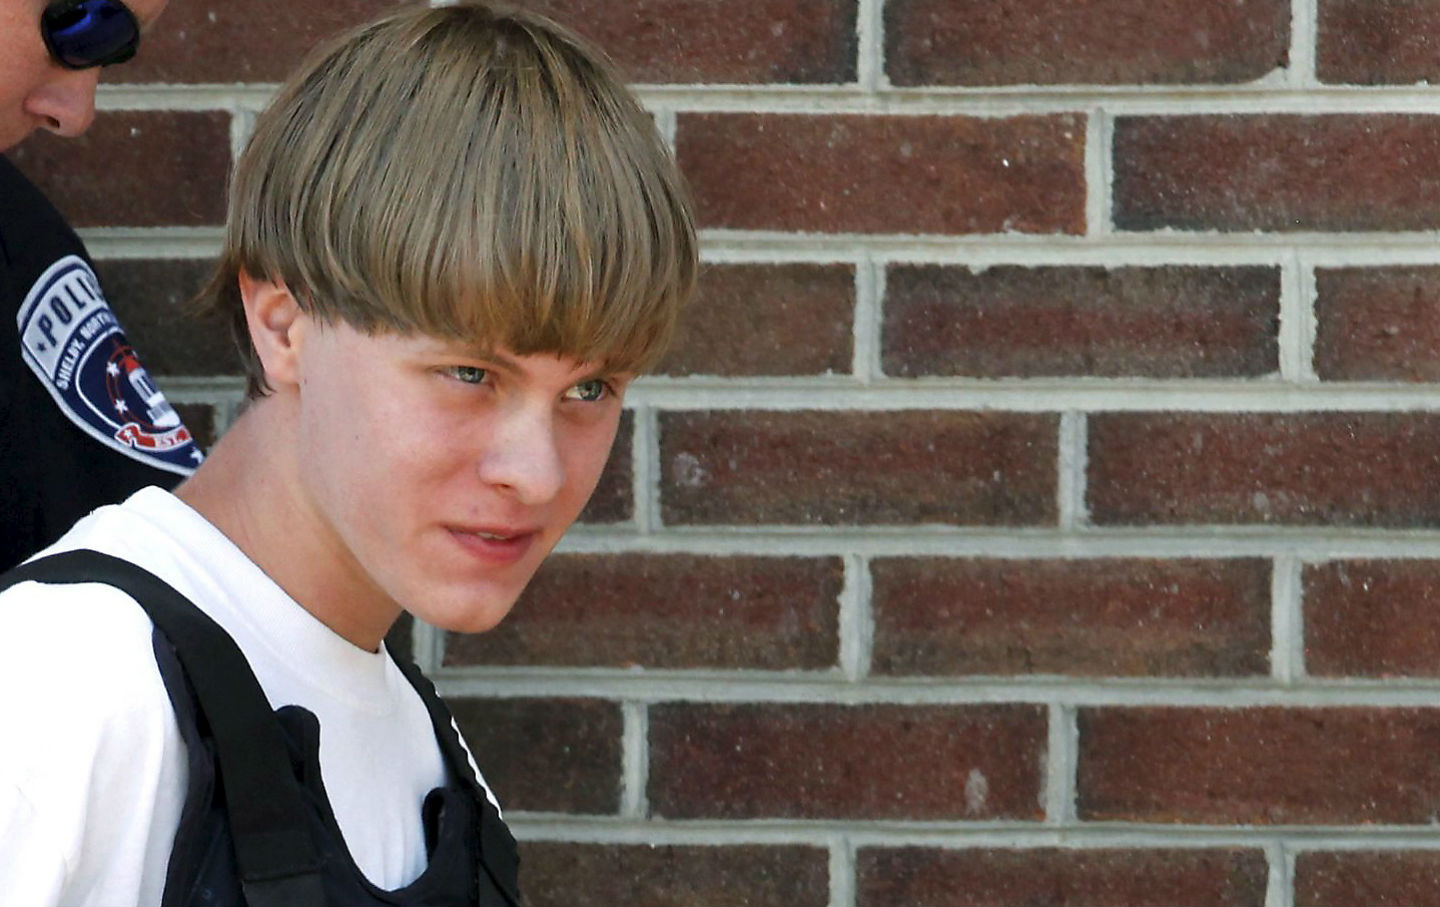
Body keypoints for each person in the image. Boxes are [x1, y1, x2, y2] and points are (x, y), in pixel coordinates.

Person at [0, 2, 697, 905]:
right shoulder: (65, 685)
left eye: (590, 391)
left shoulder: (429, 750)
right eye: (469, 373)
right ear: (283, 325)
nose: (536, 474)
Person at [1, 0, 203, 572]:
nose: (75, 113)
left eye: (110, 51)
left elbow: (162, 577)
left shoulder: (19, 243)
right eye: (79, 21)